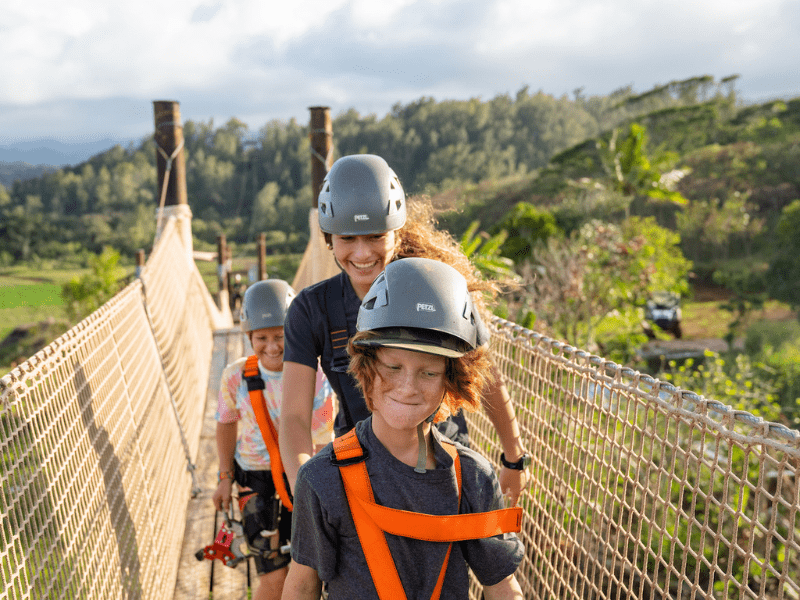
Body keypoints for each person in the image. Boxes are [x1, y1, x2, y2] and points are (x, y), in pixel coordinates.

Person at [281, 153, 531, 502]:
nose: (363, 252)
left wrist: (514, 457)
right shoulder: (311, 311)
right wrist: (305, 488)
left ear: (396, 233)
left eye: (375, 236)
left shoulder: (439, 291)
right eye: (347, 239)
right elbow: (293, 416)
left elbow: (481, 373)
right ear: (328, 239)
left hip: (443, 470)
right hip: (360, 476)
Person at [282, 258, 525, 600]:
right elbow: (302, 585)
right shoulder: (323, 479)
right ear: (366, 368)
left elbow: (503, 587)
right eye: (393, 367)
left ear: (449, 381)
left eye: (428, 372)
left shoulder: (472, 477)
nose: (408, 387)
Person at [212, 279, 335, 600]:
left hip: (302, 476)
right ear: (249, 337)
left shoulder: (317, 377)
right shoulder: (234, 376)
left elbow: (322, 438)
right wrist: (225, 476)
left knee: (304, 570)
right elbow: (225, 424)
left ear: (293, 332)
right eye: (261, 338)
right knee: (272, 574)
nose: (272, 346)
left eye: (280, 336)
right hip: (255, 479)